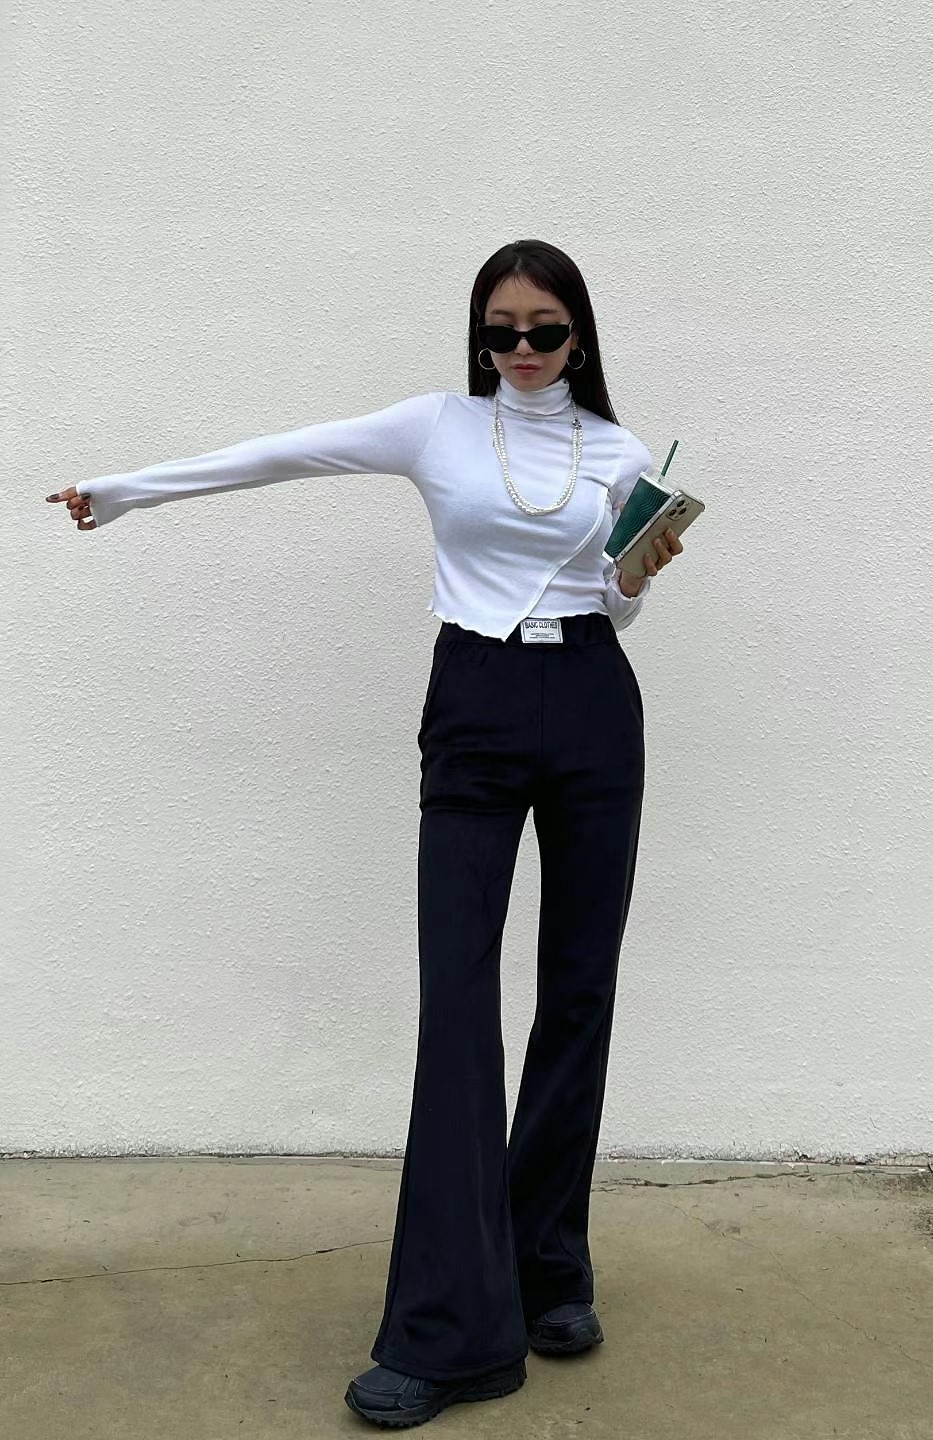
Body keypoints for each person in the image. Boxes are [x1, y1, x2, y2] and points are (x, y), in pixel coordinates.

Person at [47, 237, 685, 1429]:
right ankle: (450, 1331)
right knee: (459, 1003)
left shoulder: (621, 452)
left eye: (545, 330)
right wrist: (126, 489)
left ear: (578, 336)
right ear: (479, 335)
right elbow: (284, 452)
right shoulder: (437, 426)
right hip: (476, 702)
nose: (524, 349)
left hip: (596, 701)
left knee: (580, 991)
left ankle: (549, 1266)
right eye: (501, 330)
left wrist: (642, 569)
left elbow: (618, 602)